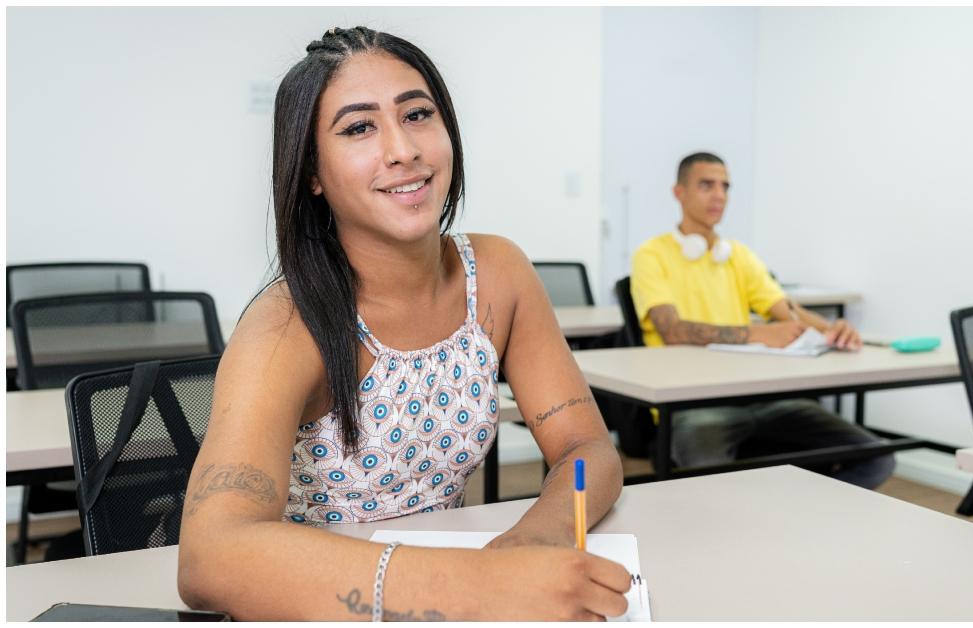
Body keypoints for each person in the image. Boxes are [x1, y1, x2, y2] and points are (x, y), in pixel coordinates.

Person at [177, 27, 630, 621]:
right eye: (359, 127)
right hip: (324, 603)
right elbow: (211, 557)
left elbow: (585, 446)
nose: (402, 150)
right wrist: (476, 586)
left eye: (417, 114)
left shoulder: (498, 274)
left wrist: (539, 536)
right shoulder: (287, 325)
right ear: (312, 173)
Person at [629, 152, 895, 489]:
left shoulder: (737, 255)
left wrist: (831, 330)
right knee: (714, 490)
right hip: (692, 404)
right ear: (679, 193)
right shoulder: (651, 255)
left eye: (725, 186)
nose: (719, 195)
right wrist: (758, 334)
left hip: (763, 396)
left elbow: (786, 309)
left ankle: (803, 524)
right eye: (706, 185)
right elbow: (672, 330)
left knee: (878, 457)